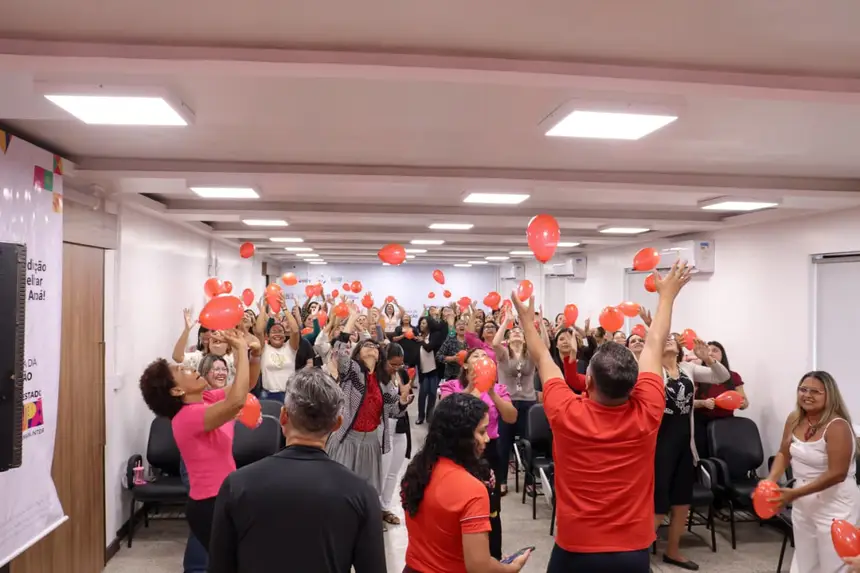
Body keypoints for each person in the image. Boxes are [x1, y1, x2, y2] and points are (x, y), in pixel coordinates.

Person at [511, 261, 691, 572]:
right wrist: (667, 297)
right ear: (635, 385)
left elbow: (541, 357)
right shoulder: (649, 411)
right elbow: (654, 345)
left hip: (575, 550)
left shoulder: (565, 412)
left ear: (589, 381)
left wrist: (527, 321)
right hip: (632, 552)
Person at [208, 368, 386, 573]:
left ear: (283, 416)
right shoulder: (361, 494)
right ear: (337, 424)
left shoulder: (237, 485)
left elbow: (219, 567)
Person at [139, 329, 254, 551]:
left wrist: (250, 354)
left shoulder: (206, 400)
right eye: (182, 370)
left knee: (236, 561)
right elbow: (237, 402)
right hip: (210, 503)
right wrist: (240, 348)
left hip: (224, 496)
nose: (191, 369)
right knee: (227, 563)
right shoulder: (187, 417)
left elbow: (243, 387)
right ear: (176, 390)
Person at [401, 392, 531, 573]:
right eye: (482, 432)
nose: (487, 438)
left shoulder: (418, 471)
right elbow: (479, 566)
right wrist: (510, 568)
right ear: (462, 437)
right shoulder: (472, 489)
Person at [765, 371, 860, 573]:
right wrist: (771, 480)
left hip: (835, 501)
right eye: (803, 389)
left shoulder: (838, 426)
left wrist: (795, 493)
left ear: (829, 395)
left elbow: (837, 473)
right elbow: (784, 453)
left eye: (815, 391)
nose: (807, 395)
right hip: (803, 500)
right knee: (805, 559)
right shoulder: (794, 419)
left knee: (835, 562)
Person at [656, 333, 730, 570]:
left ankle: (672, 551)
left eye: (672, 337)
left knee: (682, 501)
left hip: (685, 443)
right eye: (664, 337)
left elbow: (722, 377)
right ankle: (637, 554)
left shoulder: (687, 368)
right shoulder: (651, 369)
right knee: (658, 504)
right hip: (659, 444)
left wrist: (708, 359)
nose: (669, 339)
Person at [440, 349, 517, 559]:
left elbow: (511, 417)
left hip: (489, 450)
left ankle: (493, 558)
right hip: (459, 451)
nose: (482, 360)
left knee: (491, 507)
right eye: (476, 356)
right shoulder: (451, 387)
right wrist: (471, 388)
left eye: (485, 356)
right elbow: (445, 414)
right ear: (465, 365)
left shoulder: (498, 388)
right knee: (460, 504)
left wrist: (491, 392)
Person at [326, 308, 412, 495]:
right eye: (367, 345)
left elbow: (394, 411)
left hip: (371, 443)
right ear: (358, 353)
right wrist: (351, 320)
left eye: (375, 347)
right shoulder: (352, 372)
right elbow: (339, 353)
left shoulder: (383, 382)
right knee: (340, 490)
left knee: (365, 492)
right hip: (347, 439)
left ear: (380, 355)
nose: (372, 348)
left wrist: (403, 400)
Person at [493, 308, 544, 496]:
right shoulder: (503, 354)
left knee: (528, 443)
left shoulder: (530, 354)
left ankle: (530, 481)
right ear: (508, 338)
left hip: (528, 403)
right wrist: (506, 321)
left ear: (525, 338)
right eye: (513, 332)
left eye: (519, 332)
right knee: (503, 443)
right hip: (507, 403)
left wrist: (538, 324)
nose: (516, 333)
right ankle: (502, 480)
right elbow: (495, 342)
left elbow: (544, 345)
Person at [692, 341, 749, 458]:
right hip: (701, 425)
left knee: (725, 456)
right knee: (704, 457)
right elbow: (688, 403)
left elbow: (744, 403)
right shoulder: (697, 374)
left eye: (715, 350)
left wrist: (742, 403)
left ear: (722, 354)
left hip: (726, 425)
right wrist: (703, 403)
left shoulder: (733, 376)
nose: (710, 353)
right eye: (708, 350)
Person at [379, 343, 414, 527]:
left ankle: (384, 507)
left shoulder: (402, 374)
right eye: (393, 364)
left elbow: (405, 397)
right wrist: (400, 400)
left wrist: (405, 398)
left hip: (400, 427)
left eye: (400, 364)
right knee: (381, 472)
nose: (397, 368)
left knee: (393, 472)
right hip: (383, 428)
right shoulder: (377, 379)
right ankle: (374, 510)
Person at [253, 294, 301, 403]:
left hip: (290, 396)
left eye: (280, 331)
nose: (277, 334)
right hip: (268, 396)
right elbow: (259, 331)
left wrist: (284, 308)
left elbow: (295, 330)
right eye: (273, 332)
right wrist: (263, 307)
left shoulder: (290, 347)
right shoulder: (264, 348)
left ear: (284, 336)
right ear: (268, 336)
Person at [173, 308, 237, 385]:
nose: (216, 335)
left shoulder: (232, 359)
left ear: (228, 345)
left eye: (220, 339)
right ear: (208, 343)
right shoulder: (199, 357)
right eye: (214, 338)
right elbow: (177, 357)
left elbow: (241, 367)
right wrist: (187, 330)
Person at [415, 315, 447, 424]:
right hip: (423, 369)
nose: (421, 325)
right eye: (420, 323)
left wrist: (422, 341)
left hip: (434, 369)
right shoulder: (419, 335)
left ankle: (429, 416)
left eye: (424, 323)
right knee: (422, 394)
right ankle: (420, 416)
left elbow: (429, 348)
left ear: (429, 324)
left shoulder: (435, 335)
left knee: (432, 394)